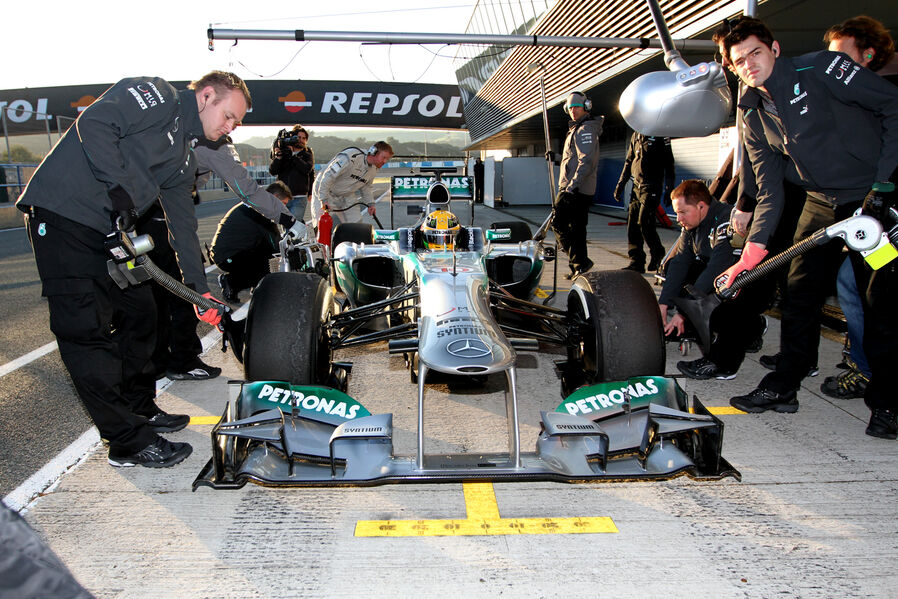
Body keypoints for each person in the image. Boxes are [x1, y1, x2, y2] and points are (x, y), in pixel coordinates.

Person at [16, 71, 251, 468]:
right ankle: (126, 440)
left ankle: (141, 409)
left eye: (237, 123)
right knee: (87, 331)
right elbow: (94, 122)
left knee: (143, 311)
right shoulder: (158, 95)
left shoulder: (182, 156)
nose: (231, 127)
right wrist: (120, 194)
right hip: (63, 218)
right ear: (207, 95)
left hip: (111, 230)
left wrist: (198, 290)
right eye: (229, 115)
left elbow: (182, 224)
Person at [718, 19, 898, 424]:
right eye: (739, 60)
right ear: (732, 68)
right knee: (799, 292)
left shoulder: (822, 68)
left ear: (775, 49)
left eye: (755, 53)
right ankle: (785, 384)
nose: (749, 64)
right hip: (820, 203)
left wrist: (885, 184)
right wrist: (752, 252)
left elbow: (893, 105)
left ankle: (888, 401)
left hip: (871, 198)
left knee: (880, 299)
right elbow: (769, 191)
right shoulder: (751, 113)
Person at [815, 16, 897, 400]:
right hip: (873, 217)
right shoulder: (853, 99)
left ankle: (872, 374)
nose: (832, 68)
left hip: (890, 216)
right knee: (853, 283)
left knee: (872, 290)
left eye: (840, 59)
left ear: (867, 55)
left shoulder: (884, 96)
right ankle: (866, 367)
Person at [660, 180, 768, 380]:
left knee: (725, 294)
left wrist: (684, 312)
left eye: (683, 212)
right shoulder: (692, 226)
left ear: (701, 206)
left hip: (751, 282)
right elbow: (680, 263)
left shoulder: (727, 221)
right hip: (722, 275)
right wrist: (664, 303)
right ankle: (753, 329)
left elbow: (718, 269)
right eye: (677, 212)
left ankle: (723, 364)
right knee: (679, 269)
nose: (678, 218)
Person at [136, 200, 222, 381]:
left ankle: (158, 361)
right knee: (186, 299)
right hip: (166, 222)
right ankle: (184, 362)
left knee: (156, 299)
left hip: (145, 224)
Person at [210, 181, 293, 302]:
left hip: (228, 252)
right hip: (227, 256)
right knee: (270, 263)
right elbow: (275, 243)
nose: (284, 208)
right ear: (275, 198)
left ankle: (255, 285)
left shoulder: (254, 205)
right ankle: (231, 282)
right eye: (283, 204)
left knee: (267, 251)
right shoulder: (261, 212)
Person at [551, 91, 602, 279]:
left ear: (586, 107)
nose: (573, 111)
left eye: (577, 107)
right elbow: (573, 159)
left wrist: (571, 187)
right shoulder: (577, 128)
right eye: (570, 108)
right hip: (575, 187)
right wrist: (556, 157)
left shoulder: (585, 129)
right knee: (577, 229)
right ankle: (579, 265)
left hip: (576, 189)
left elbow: (586, 161)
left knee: (558, 223)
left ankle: (579, 261)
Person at [614, 130, 676, 273]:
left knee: (645, 222)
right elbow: (629, 161)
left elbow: (669, 162)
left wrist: (669, 188)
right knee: (632, 225)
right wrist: (620, 185)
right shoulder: (635, 135)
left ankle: (658, 253)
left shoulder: (660, 134)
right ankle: (636, 261)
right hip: (636, 187)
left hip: (652, 186)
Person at [310, 141, 394, 230]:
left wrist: (370, 203)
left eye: (387, 159)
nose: (385, 161)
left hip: (347, 194)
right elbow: (327, 176)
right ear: (373, 152)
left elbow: (366, 186)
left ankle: (351, 242)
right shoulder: (350, 157)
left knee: (356, 223)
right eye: (383, 157)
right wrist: (323, 199)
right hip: (325, 190)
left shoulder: (374, 169)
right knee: (321, 225)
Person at [269, 124, 315, 221]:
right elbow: (273, 171)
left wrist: (293, 156)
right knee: (286, 225)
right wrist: (278, 158)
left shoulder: (307, 154)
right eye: (299, 137)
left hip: (299, 197)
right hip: (282, 197)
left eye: (304, 138)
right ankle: (301, 233)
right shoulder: (283, 153)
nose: (301, 140)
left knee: (293, 225)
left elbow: (308, 170)